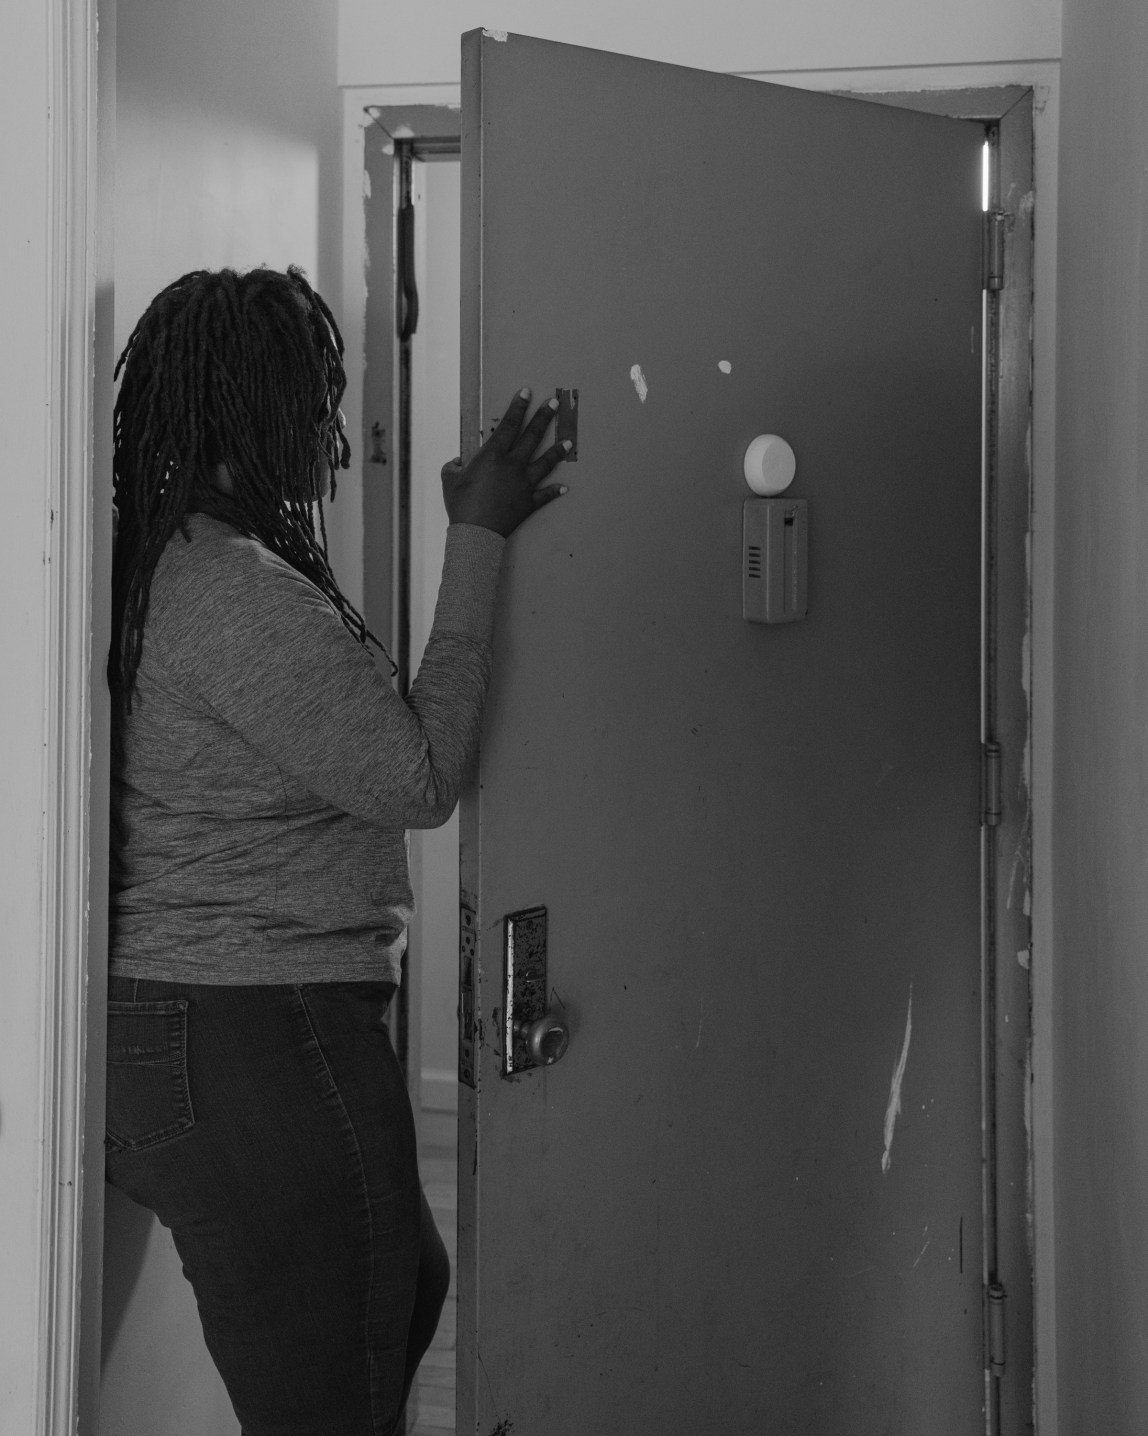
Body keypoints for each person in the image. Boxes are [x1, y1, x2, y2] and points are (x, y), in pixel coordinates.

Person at [104, 264, 569, 1436]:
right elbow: (417, 776)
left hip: (232, 1020)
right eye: (314, 399)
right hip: (252, 1026)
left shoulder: (203, 567)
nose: (334, 435)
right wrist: (477, 537)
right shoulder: (230, 588)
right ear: (247, 410)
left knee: (402, 1288)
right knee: (334, 1386)